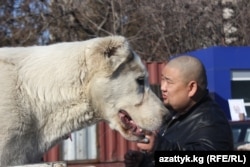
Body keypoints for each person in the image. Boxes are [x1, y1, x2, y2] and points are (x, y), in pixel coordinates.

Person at [124, 55, 234, 167]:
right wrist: (144, 161)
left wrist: (159, 147)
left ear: (191, 88)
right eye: (162, 79)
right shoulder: (176, 113)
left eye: (169, 82)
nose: (163, 87)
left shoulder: (212, 121)